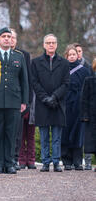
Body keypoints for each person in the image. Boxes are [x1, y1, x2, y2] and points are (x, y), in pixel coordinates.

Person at [0, 27, 29, 174]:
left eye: (9, 36)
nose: (7, 39)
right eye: (4, 36)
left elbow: (24, 81)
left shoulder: (19, 56)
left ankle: (9, 163)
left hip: (13, 101)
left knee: (11, 134)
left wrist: (24, 102)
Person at [31, 34, 69, 172]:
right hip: (43, 104)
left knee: (57, 137)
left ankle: (56, 162)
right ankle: (46, 162)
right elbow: (34, 82)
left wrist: (54, 97)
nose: (51, 45)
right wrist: (45, 98)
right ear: (44, 45)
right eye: (48, 42)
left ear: (57, 45)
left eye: (53, 42)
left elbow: (66, 83)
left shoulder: (64, 63)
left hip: (58, 104)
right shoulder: (36, 62)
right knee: (44, 136)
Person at [10, 29, 35, 170]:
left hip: (20, 99)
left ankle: (15, 159)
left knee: (19, 132)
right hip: (5, 98)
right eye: (8, 37)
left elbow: (28, 80)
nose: (11, 40)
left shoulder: (23, 55)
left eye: (13, 37)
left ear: (16, 40)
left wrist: (28, 100)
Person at [61, 45, 90, 170]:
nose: (72, 56)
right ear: (66, 56)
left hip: (79, 105)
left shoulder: (84, 70)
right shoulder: (62, 70)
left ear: (77, 55)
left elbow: (88, 88)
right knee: (65, 132)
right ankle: (66, 160)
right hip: (66, 105)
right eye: (70, 55)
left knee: (78, 133)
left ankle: (77, 161)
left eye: (74, 54)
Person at [73, 42, 93, 170]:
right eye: (75, 51)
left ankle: (87, 161)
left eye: (79, 51)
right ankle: (76, 160)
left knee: (87, 135)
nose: (78, 54)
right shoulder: (67, 66)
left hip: (86, 105)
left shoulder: (88, 66)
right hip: (73, 104)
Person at [81, 57, 96, 172]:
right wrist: (85, 115)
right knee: (92, 142)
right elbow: (84, 99)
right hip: (92, 115)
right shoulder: (89, 80)